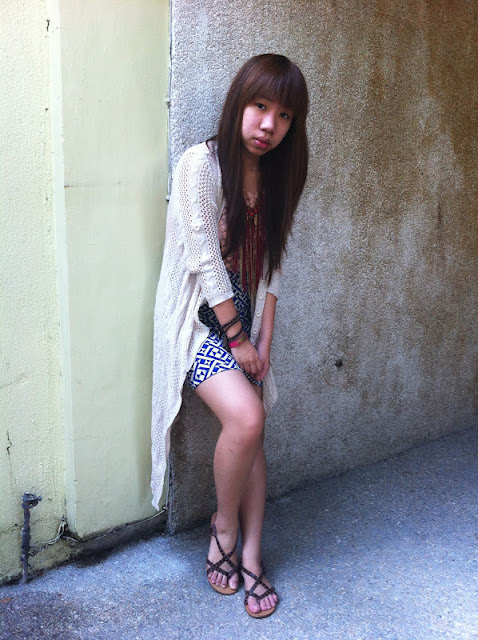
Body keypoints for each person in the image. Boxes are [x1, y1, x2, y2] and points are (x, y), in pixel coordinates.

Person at [151, 53, 309, 618]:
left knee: (252, 430)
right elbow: (205, 262)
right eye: (260, 106)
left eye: (285, 115)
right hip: (199, 322)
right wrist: (239, 340)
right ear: (239, 102)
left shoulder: (276, 177)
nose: (270, 124)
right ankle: (223, 528)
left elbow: (272, 267)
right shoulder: (201, 165)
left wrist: (264, 342)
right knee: (246, 418)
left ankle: (253, 555)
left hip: (244, 324)